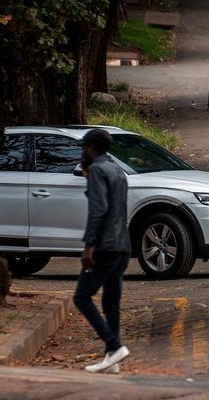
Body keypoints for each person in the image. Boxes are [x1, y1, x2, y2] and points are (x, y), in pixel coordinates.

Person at [73, 129, 131, 374]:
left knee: (82, 297)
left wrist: (89, 247)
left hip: (105, 247)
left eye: (84, 147)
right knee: (111, 302)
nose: (82, 151)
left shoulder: (97, 169)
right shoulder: (118, 170)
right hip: (122, 246)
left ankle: (114, 345)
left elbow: (98, 210)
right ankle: (112, 361)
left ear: (92, 148)